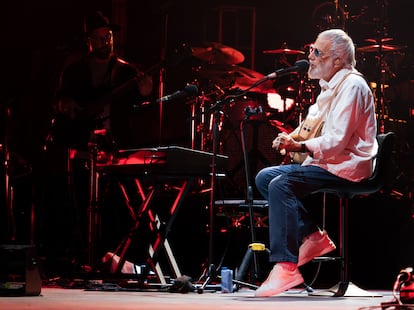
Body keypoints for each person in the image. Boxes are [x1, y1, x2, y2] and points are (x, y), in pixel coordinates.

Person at [254, 28, 378, 297]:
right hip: (329, 163)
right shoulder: (330, 87)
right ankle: (312, 237)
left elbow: (335, 142)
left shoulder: (352, 86)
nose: (309, 55)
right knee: (265, 177)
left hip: (347, 166)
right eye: (310, 48)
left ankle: (286, 267)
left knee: (281, 184)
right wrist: (294, 136)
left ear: (336, 60)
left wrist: (298, 146)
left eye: (316, 51)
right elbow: (315, 128)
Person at [42, 10, 153, 271]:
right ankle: (85, 258)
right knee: (82, 205)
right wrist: (64, 104)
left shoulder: (126, 72)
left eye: (109, 37)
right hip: (82, 148)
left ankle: (115, 260)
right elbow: (61, 101)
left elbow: (140, 107)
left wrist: (146, 92)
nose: (105, 42)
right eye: (99, 38)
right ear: (89, 40)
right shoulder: (74, 71)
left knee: (118, 207)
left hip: (117, 150)